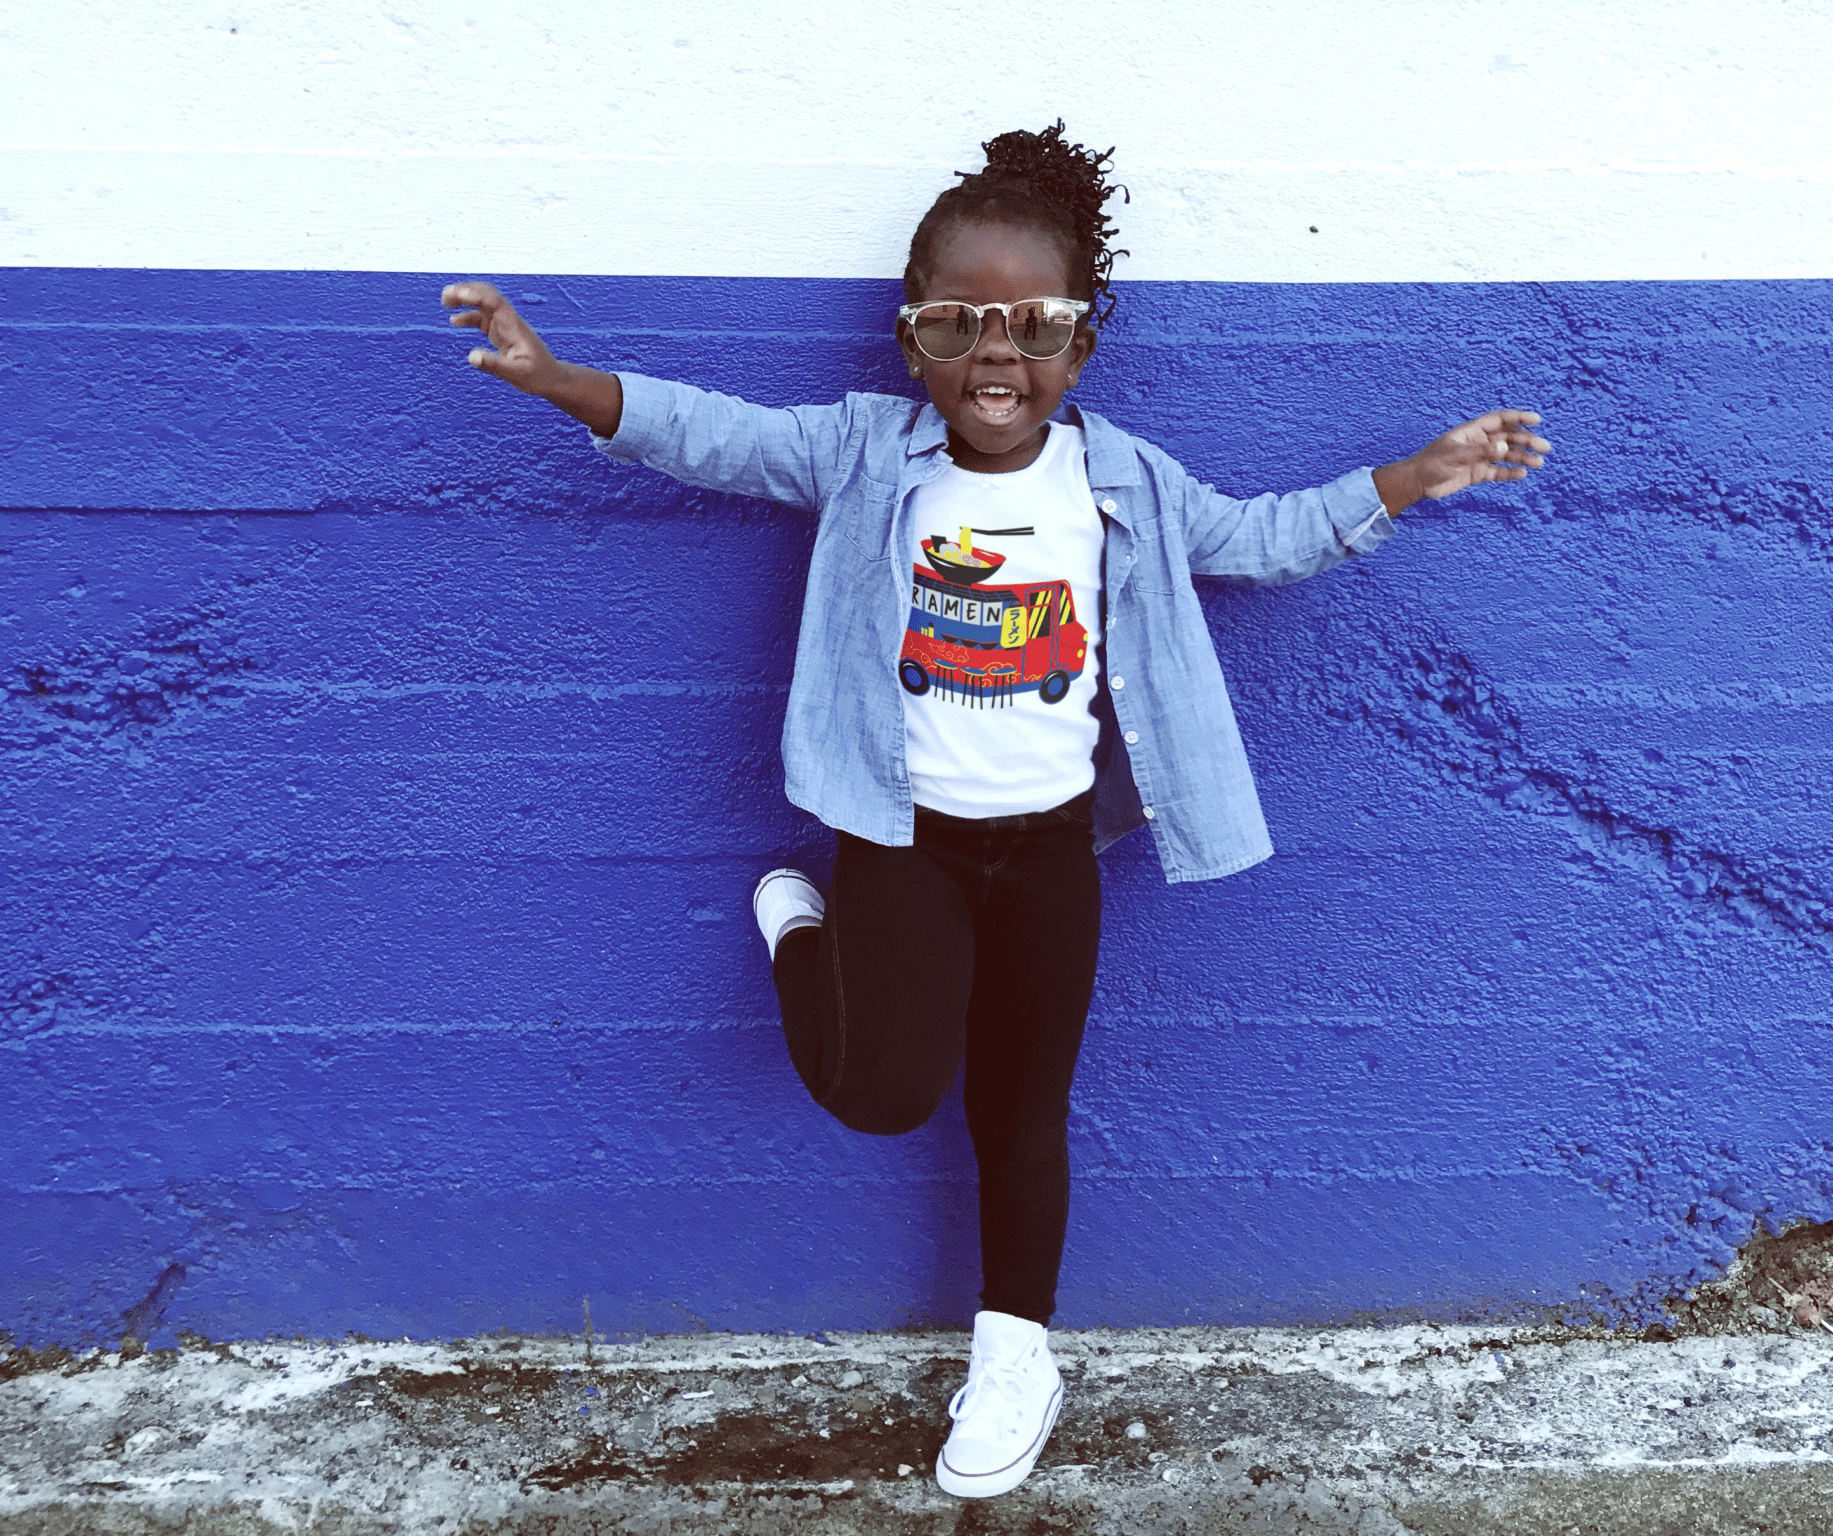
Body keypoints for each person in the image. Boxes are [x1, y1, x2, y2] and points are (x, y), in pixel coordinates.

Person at [441, 120, 1549, 1500]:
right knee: (882, 1092)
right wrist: (558, 381)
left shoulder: (1123, 479)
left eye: (1033, 327)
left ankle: (1018, 1351)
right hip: (899, 842)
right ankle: (799, 929)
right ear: (913, 340)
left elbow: (1260, 540)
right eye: (960, 324)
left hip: (1049, 853)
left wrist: (1417, 476)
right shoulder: (863, 456)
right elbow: (713, 438)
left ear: (1082, 345)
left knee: (1025, 1111)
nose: (996, 356)